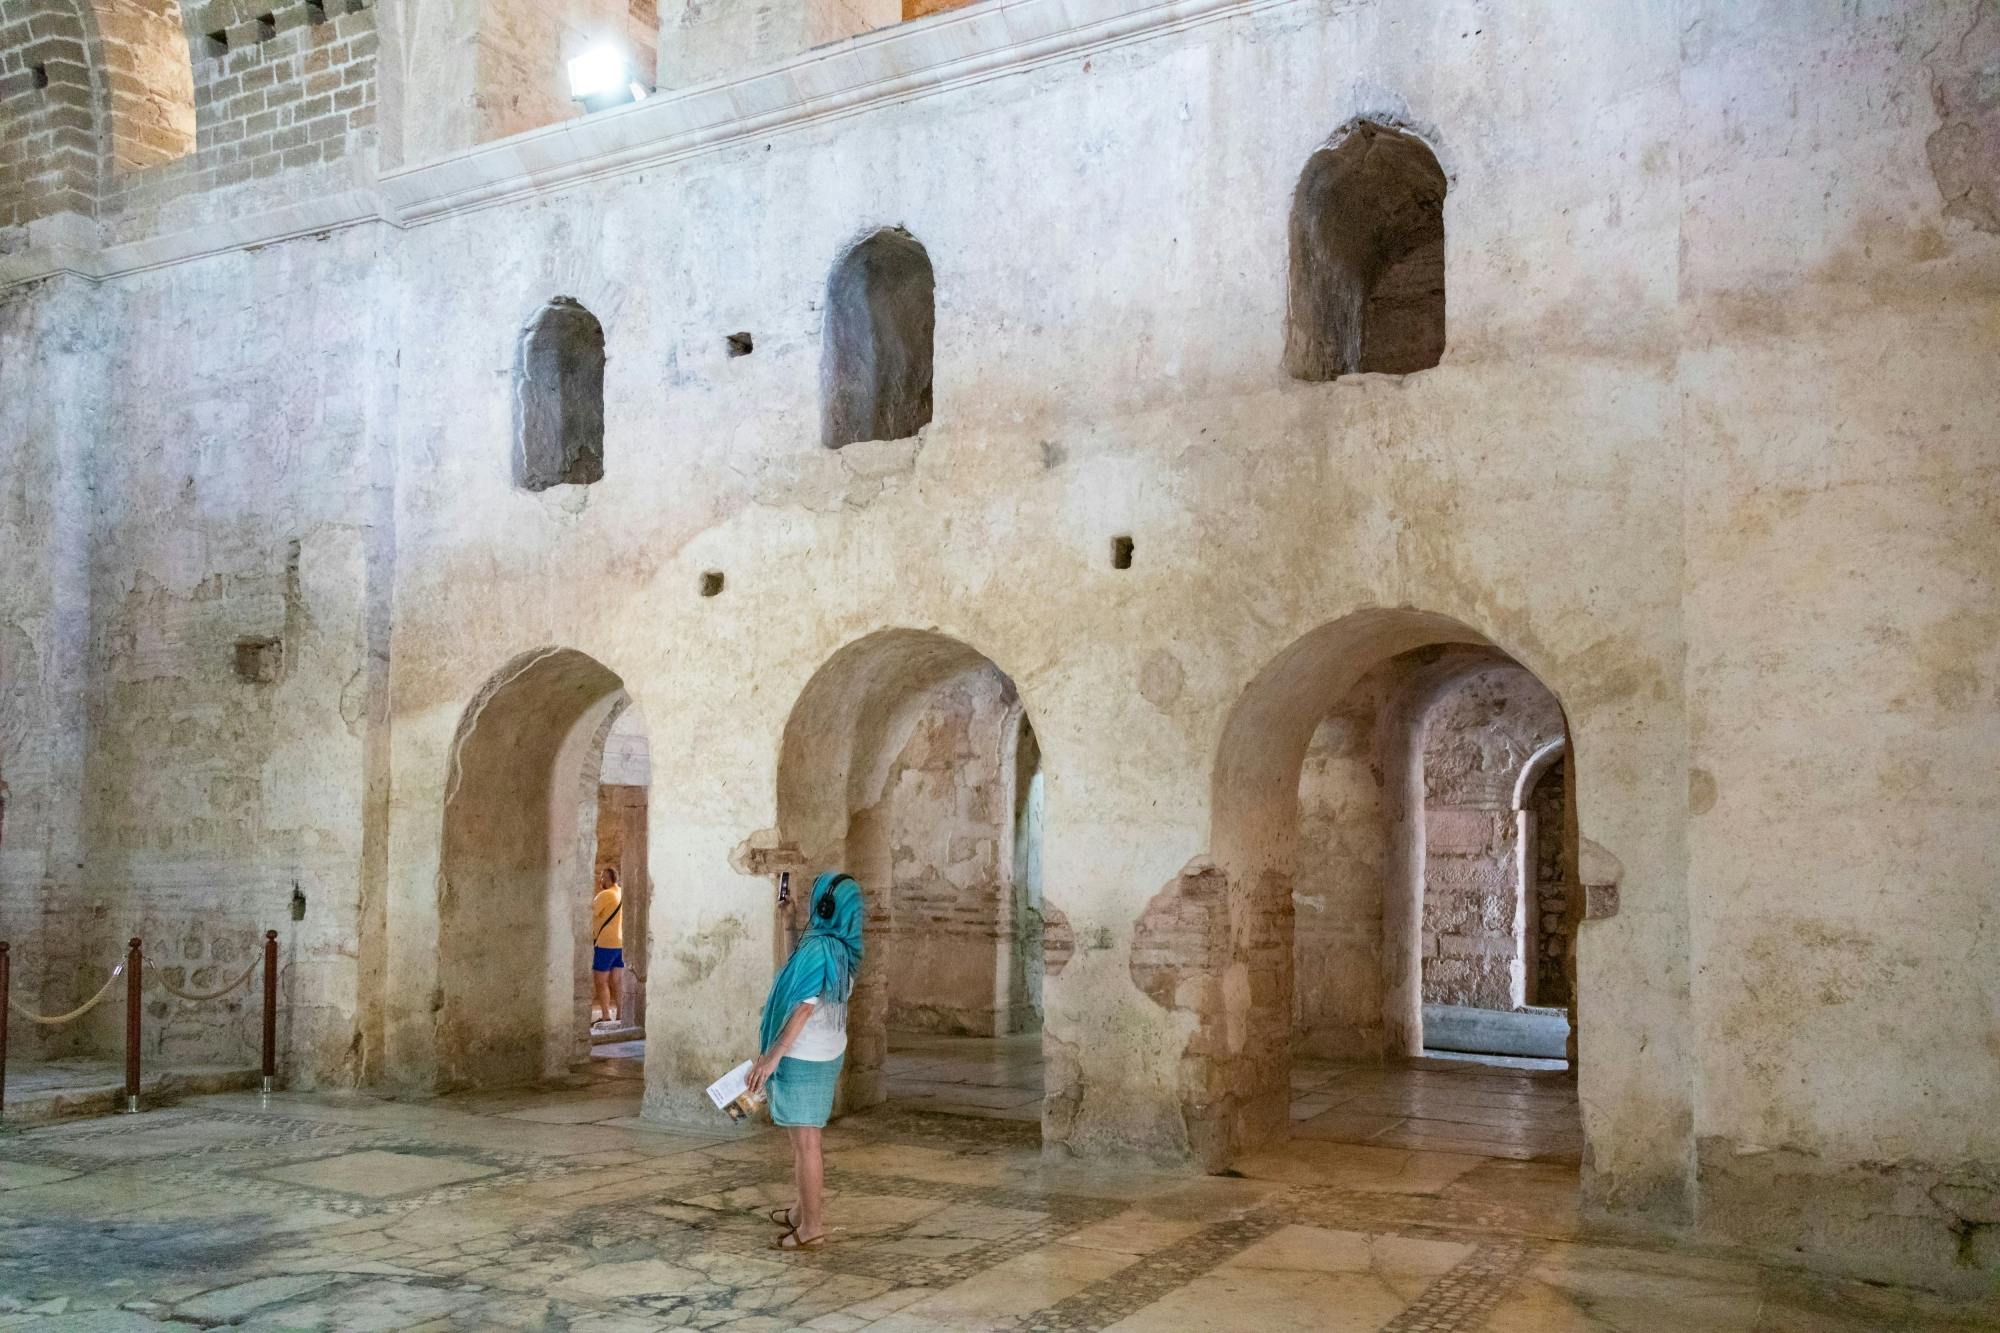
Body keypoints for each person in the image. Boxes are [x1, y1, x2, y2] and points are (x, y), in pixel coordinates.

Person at [747, 870, 863, 1252]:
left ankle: (812, 1225)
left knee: (806, 1144)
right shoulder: (841, 947)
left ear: (824, 906)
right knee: (806, 1140)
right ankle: (801, 1210)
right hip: (828, 1052)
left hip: (802, 1054)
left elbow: (802, 1007)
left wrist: (770, 1058)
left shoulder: (819, 949)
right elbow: (799, 967)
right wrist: (788, 921)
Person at [590, 867, 625, 1028]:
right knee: (617, 981)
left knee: (601, 981)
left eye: (603, 877)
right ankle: (621, 1014)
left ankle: (605, 1016)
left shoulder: (605, 895)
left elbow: (590, 912)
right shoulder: (622, 893)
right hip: (621, 943)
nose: (600, 880)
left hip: (605, 943)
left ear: (610, 879)